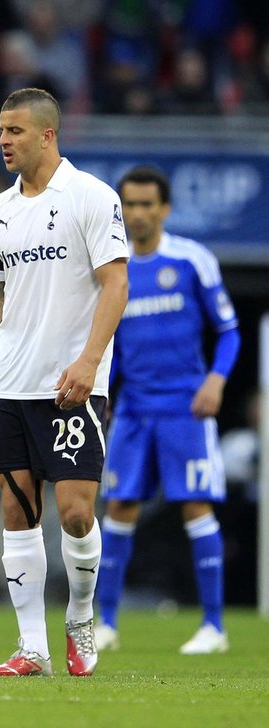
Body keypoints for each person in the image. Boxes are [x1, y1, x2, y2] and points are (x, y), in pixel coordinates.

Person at [0, 87, 130, 678]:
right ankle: (32, 649)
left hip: (73, 385)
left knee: (76, 512)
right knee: (16, 511)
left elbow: (116, 284)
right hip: (13, 386)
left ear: (47, 135)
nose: (3, 140)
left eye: (15, 131)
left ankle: (79, 616)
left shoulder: (91, 198)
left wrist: (88, 360)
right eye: (1, 130)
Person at [94, 166, 240, 655]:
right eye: (129, 205)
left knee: (195, 506)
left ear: (164, 209)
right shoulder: (112, 268)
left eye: (145, 204)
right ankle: (107, 622)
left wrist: (216, 381)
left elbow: (229, 330)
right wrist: (105, 394)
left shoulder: (192, 260)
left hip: (186, 408)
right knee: (119, 509)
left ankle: (213, 626)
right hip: (134, 410)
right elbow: (107, 341)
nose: (136, 213)